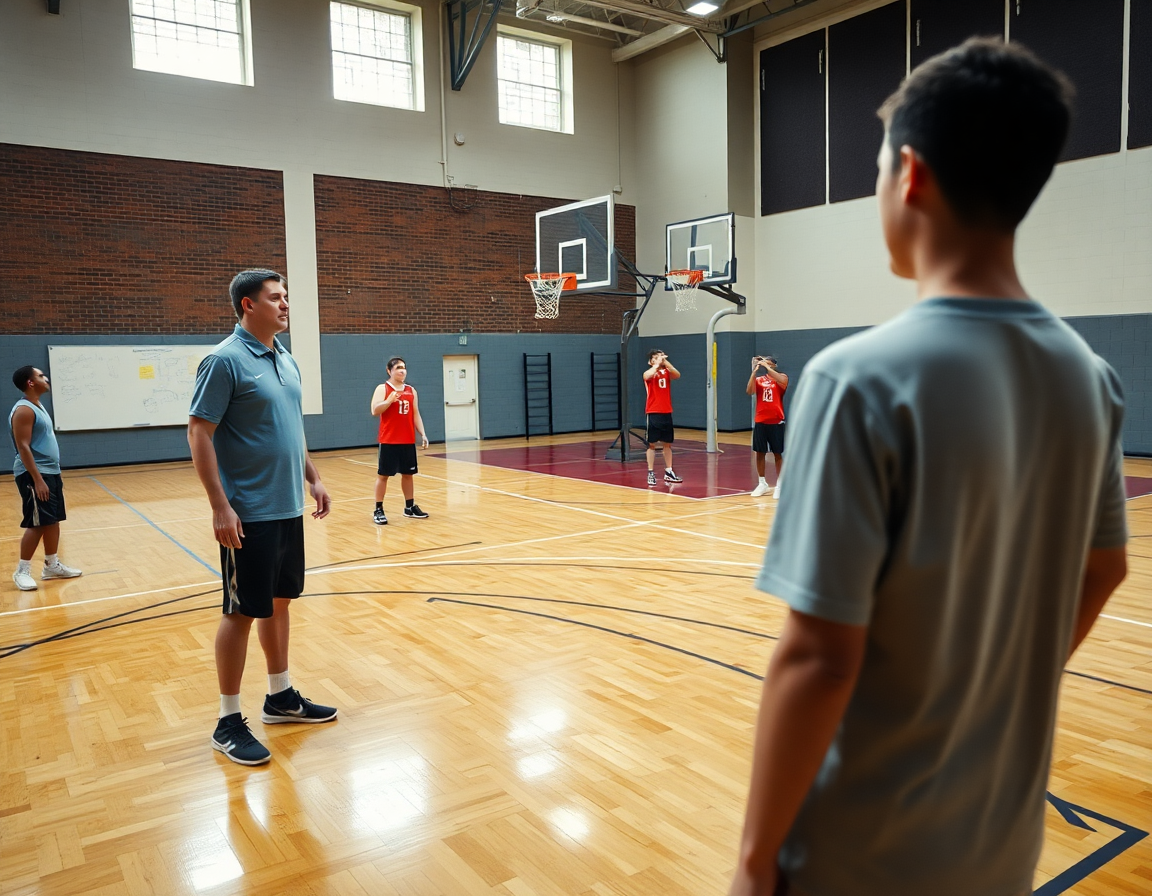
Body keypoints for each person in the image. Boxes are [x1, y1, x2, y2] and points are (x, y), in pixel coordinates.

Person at [729, 38, 1128, 896]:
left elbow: (818, 659)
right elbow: (1106, 567)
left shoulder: (855, 380)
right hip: (1003, 845)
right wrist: (1003, 681)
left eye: (876, 169)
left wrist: (755, 862)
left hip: (861, 853)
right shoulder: (1091, 378)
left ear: (909, 175)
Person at [188, 269, 336, 767]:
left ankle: (280, 697)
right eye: (276, 298)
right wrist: (220, 505)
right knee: (241, 611)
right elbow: (199, 433)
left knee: (279, 602)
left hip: (287, 506)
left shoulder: (285, 359)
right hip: (248, 512)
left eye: (286, 296)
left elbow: (291, 429)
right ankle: (228, 721)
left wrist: (313, 477)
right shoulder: (224, 360)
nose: (285, 304)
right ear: (248, 305)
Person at [9, 366, 82, 591]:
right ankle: (22, 571)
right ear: (30, 383)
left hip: (50, 472)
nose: (45, 378)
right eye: (40, 376)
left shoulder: (38, 406)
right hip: (35, 474)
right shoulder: (24, 410)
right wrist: (37, 479)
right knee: (38, 522)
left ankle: (51, 565)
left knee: (52, 519)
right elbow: (23, 446)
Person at [370, 357, 429, 524]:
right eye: (398, 368)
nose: (402, 370)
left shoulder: (411, 390)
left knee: (408, 474)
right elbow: (374, 410)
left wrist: (423, 434)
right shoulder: (383, 388)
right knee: (383, 475)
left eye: (404, 367)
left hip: (407, 439)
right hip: (389, 440)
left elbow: (415, 414)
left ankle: (409, 507)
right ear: (389, 371)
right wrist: (388, 401)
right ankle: (378, 509)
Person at [746, 356, 788, 498]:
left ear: (774, 365)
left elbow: (782, 381)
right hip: (761, 421)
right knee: (760, 452)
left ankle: (780, 484)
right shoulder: (759, 380)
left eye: (768, 363)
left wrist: (767, 366)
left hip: (776, 421)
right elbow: (750, 391)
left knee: (777, 453)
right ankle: (762, 483)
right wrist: (754, 371)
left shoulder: (781, 377)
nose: (764, 364)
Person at [643, 349, 682, 486]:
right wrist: (656, 364)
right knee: (652, 444)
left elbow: (677, 375)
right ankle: (650, 472)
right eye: (655, 357)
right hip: (653, 411)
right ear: (650, 361)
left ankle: (669, 471)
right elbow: (646, 376)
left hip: (666, 411)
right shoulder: (649, 373)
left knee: (667, 443)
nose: (659, 359)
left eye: (660, 356)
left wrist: (665, 362)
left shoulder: (666, 372)